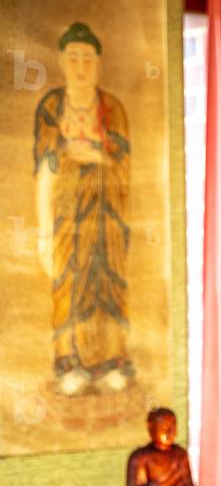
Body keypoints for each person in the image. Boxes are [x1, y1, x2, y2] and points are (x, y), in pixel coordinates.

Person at [34, 21, 134, 396]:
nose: (80, 66)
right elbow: (45, 162)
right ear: (62, 60)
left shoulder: (113, 109)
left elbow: (124, 164)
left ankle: (112, 360)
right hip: (65, 215)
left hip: (106, 214)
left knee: (107, 281)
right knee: (68, 282)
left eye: (87, 58)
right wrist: (63, 153)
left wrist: (96, 155)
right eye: (73, 57)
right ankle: (68, 361)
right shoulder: (52, 106)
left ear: (99, 61)